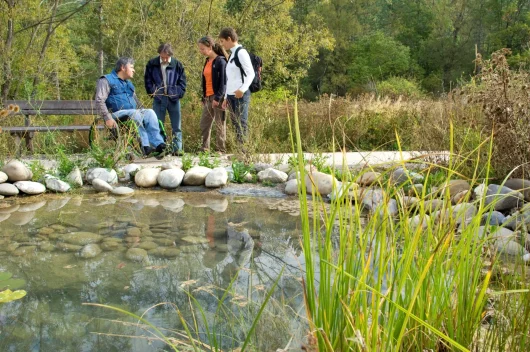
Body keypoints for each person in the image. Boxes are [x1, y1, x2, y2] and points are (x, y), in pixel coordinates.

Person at [95, 57, 167, 158]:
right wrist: (107, 118)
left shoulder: (129, 84)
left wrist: (144, 112)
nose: (134, 70)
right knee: (135, 113)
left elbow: (137, 103)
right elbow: (99, 100)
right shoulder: (106, 80)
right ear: (123, 67)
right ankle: (145, 146)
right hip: (115, 114)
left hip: (132, 113)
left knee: (150, 112)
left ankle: (159, 144)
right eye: (132, 67)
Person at [144, 43, 187, 156]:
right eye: (162, 56)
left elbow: (182, 83)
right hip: (158, 98)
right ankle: (160, 148)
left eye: (166, 57)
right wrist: (153, 93)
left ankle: (177, 149)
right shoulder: (152, 64)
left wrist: (177, 93)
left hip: (173, 99)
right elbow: (148, 80)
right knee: (157, 124)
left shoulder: (177, 65)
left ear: (170, 55)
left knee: (176, 126)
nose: (164, 59)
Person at [218, 28, 255, 145]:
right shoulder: (232, 54)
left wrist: (242, 89)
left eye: (223, 41)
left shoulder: (241, 52)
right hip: (231, 95)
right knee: (235, 123)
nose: (222, 44)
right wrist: (225, 98)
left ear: (229, 39)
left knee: (241, 122)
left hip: (240, 94)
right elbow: (230, 79)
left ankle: (244, 152)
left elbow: (251, 73)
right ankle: (240, 150)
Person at [198, 36, 228, 153]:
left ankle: (220, 149)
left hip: (218, 97)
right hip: (208, 97)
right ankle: (204, 149)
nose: (201, 51)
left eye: (203, 49)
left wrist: (218, 97)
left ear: (210, 47)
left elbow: (223, 82)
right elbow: (205, 80)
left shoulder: (221, 61)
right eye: (200, 49)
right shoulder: (207, 61)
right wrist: (204, 96)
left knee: (219, 124)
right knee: (204, 123)